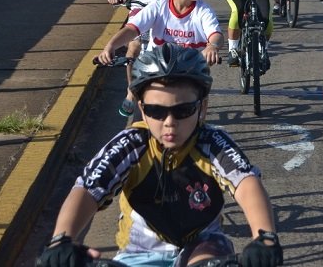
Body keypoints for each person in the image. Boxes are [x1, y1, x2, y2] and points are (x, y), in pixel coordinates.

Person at [37, 44, 282, 267]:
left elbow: (246, 183)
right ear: (142, 110)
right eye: (156, 111)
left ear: (203, 107)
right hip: (140, 254)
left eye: (183, 110)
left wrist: (265, 237)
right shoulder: (131, 144)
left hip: (202, 247)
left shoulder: (212, 142)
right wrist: (62, 239)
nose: (169, 122)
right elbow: (88, 188)